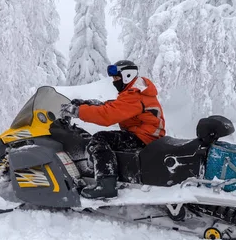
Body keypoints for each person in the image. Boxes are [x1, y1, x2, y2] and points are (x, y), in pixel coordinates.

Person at [60, 60, 166, 199]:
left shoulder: (135, 94)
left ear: (127, 75)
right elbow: (115, 106)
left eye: (116, 78)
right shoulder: (136, 91)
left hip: (145, 137)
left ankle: (106, 185)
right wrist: (89, 104)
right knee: (107, 140)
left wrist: (77, 111)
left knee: (99, 139)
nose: (114, 82)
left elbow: (107, 115)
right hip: (144, 134)